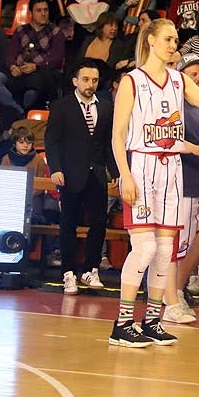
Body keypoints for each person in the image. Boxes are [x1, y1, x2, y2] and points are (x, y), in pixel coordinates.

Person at [108, 21, 199, 347]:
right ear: (152, 40)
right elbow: (117, 135)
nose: (174, 44)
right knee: (144, 248)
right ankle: (123, 322)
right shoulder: (133, 81)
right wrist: (125, 174)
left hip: (172, 169)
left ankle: (153, 320)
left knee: (165, 250)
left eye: (176, 39)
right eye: (169, 39)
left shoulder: (178, 80)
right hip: (142, 165)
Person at [45, 59, 117, 295]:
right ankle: (68, 273)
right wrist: (55, 168)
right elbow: (52, 141)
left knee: (99, 223)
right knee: (69, 223)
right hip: (70, 173)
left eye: (94, 80)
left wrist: (113, 170)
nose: (90, 84)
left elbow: (108, 142)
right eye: (85, 79)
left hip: (96, 173)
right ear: (75, 81)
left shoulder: (106, 107)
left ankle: (91, 268)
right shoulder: (61, 106)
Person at [165, 55, 199, 323]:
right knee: (177, 246)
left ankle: (177, 289)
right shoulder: (174, 106)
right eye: (194, 74)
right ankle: (168, 301)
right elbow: (168, 141)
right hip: (184, 186)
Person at [0, 0, 65, 114]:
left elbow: (57, 59)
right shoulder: (20, 30)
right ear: (30, 13)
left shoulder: (55, 32)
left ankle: (25, 113)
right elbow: (10, 54)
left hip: (40, 74)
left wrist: (36, 66)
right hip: (17, 72)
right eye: (39, 10)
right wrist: (13, 66)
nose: (43, 14)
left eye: (46, 10)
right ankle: (17, 110)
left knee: (32, 92)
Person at [73, 12, 135, 88]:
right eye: (111, 25)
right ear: (101, 26)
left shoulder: (118, 45)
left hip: (102, 80)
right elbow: (79, 59)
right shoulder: (88, 40)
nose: (114, 28)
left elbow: (111, 68)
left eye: (116, 25)